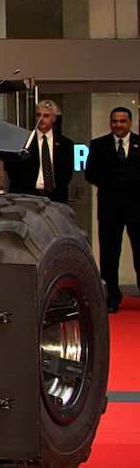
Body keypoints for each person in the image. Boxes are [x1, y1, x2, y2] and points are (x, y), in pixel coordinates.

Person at [84, 106, 140, 313]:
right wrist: (113, 181)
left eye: (122, 121)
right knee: (109, 255)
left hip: (137, 209)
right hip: (110, 208)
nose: (118, 125)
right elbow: (90, 174)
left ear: (130, 122)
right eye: (114, 121)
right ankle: (112, 298)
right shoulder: (99, 145)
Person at [8, 98, 73, 204]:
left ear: (54, 118)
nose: (41, 119)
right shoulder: (23, 142)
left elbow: (66, 174)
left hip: (56, 198)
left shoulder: (66, 144)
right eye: (39, 115)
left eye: (46, 116)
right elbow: (12, 171)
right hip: (27, 196)